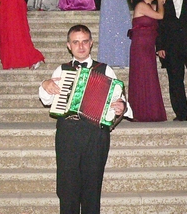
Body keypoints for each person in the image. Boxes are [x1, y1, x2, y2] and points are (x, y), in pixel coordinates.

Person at [39, 24, 131, 214]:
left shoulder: (105, 70)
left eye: (84, 42)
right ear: (68, 46)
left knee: (92, 189)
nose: (80, 46)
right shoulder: (61, 70)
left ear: (91, 44)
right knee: (67, 188)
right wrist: (45, 84)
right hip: (68, 133)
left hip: (96, 135)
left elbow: (120, 101)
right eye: (76, 42)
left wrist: (122, 107)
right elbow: (46, 99)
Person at [128, 0, 168, 122]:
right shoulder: (141, 5)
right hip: (140, 45)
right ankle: (141, 112)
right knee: (142, 76)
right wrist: (160, 2)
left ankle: (150, 112)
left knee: (150, 76)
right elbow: (159, 16)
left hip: (149, 46)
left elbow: (163, 14)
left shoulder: (152, 6)